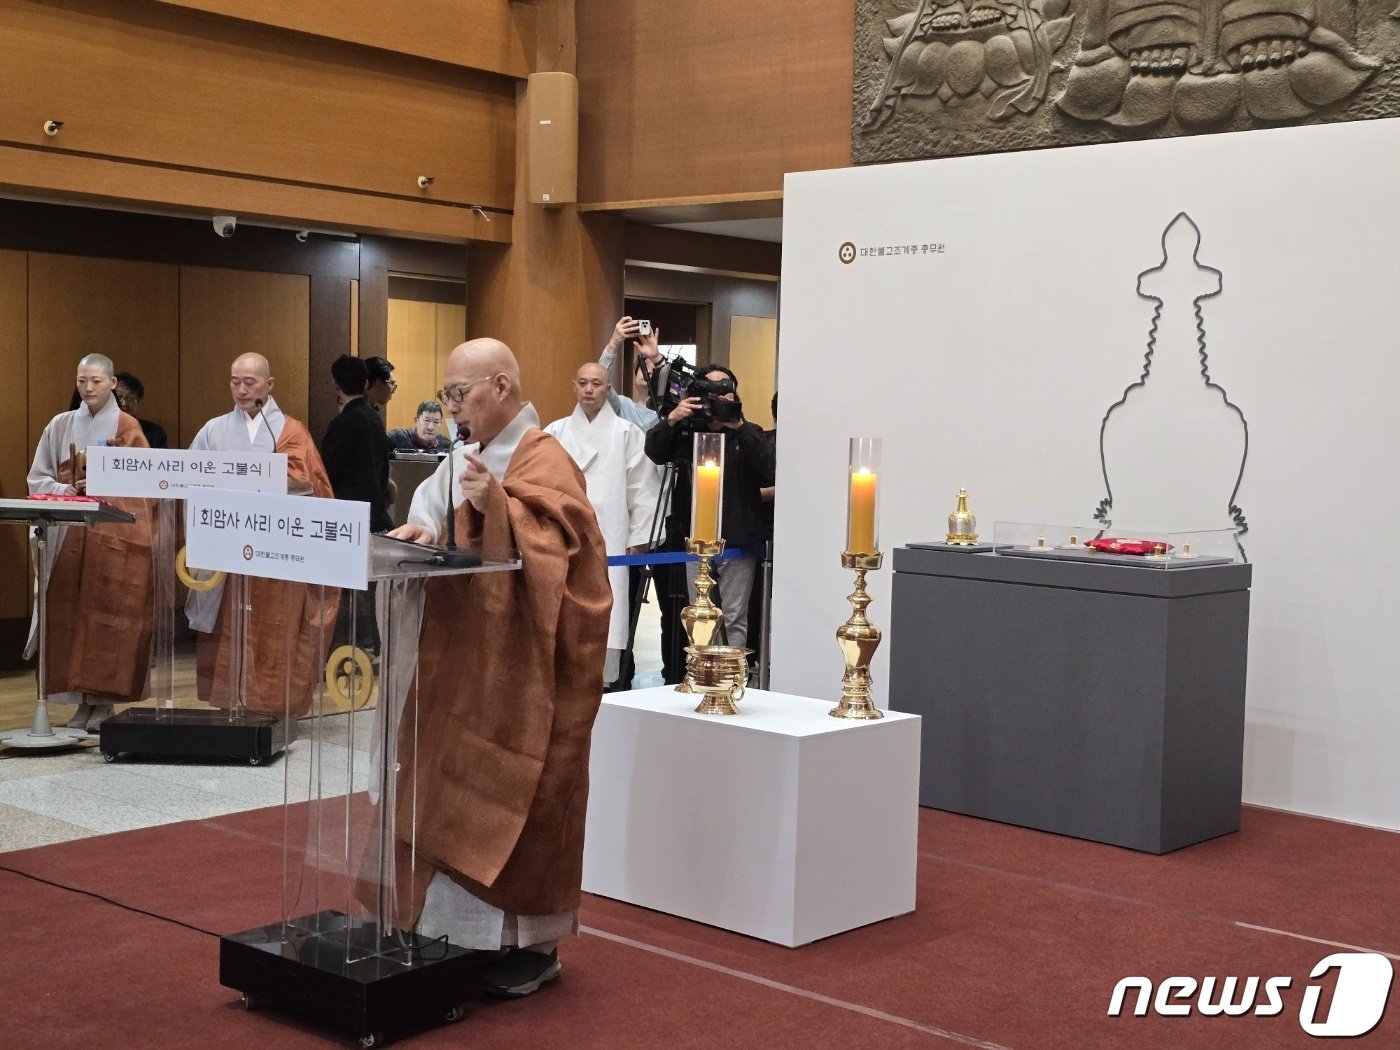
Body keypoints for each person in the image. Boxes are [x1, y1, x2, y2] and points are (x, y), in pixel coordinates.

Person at [387, 338, 611, 997]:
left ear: (504, 387)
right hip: (463, 655)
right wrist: (424, 533)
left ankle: (530, 949)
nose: (451, 406)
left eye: (460, 393)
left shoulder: (547, 456)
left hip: (526, 666)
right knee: (448, 777)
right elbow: (432, 515)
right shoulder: (463, 455)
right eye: (448, 394)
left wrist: (501, 510)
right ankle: (450, 935)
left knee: (527, 792)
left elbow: (568, 553)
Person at [186, 353, 338, 717]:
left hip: (275, 550)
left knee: (274, 629)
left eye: (249, 382)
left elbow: (312, 485)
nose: (241, 389)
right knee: (228, 627)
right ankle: (230, 702)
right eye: (235, 381)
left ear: (269, 385)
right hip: (228, 546)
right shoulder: (213, 429)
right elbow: (191, 476)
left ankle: (271, 706)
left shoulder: (289, 430)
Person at [26, 354, 156, 731]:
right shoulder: (61, 424)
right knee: (69, 614)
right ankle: (79, 704)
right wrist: (66, 488)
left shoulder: (128, 427)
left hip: (112, 537)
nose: (88, 388)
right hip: (67, 532)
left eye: (96, 381)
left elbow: (145, 486)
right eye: (82, 380)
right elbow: (38, 477)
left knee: (107, 618)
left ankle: (104, 704)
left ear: (112, 383)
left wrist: (104, 488)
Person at [644, 363, 775, 676]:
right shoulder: (688, 432)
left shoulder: (747, 433)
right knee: (699, 614)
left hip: (738, 540)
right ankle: (701, 675)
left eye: (724, 390)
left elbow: (769, 466)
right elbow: (654, 450)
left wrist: (737, 424)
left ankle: (729, 678)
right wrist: (672, 418)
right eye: (710, 390)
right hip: (695, 538)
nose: (717, 397)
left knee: (733, 616)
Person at [545, 362, 659, 691]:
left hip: (612, 535)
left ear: (608, 389)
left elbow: (642, 489)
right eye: (583, 383)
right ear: (575, 386)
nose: (589, 389)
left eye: (596, 383)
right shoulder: (556, 432)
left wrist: (639, 538)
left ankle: (608, 680)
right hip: (565, 535)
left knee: (609, 609)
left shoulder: (627, 434)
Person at [322, 355, 392, 533]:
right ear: (365, 383)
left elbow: (327, 473)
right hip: (374, 512)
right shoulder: (375, 418)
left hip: (346, 516)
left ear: (336, 385)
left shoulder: (342, 422)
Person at [597, 316, 663, 430]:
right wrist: (614, 343)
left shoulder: (669, 410)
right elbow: (599, 380)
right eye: (646, 365)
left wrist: (657, 357)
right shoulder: (623, 406)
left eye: (655, 368)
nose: (650, 371)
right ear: (635, 374)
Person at [114, 372, 169, 449]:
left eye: (130, 398)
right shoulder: (102, 427)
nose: (124, 403)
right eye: (119, 397)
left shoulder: (154, 432)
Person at [387, 399, 452, 454]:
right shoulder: (397, 438)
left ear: (441, 423)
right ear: (416, 420)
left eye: (436, 422)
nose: (430, 427)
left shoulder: (446, 446)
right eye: (426, 420)